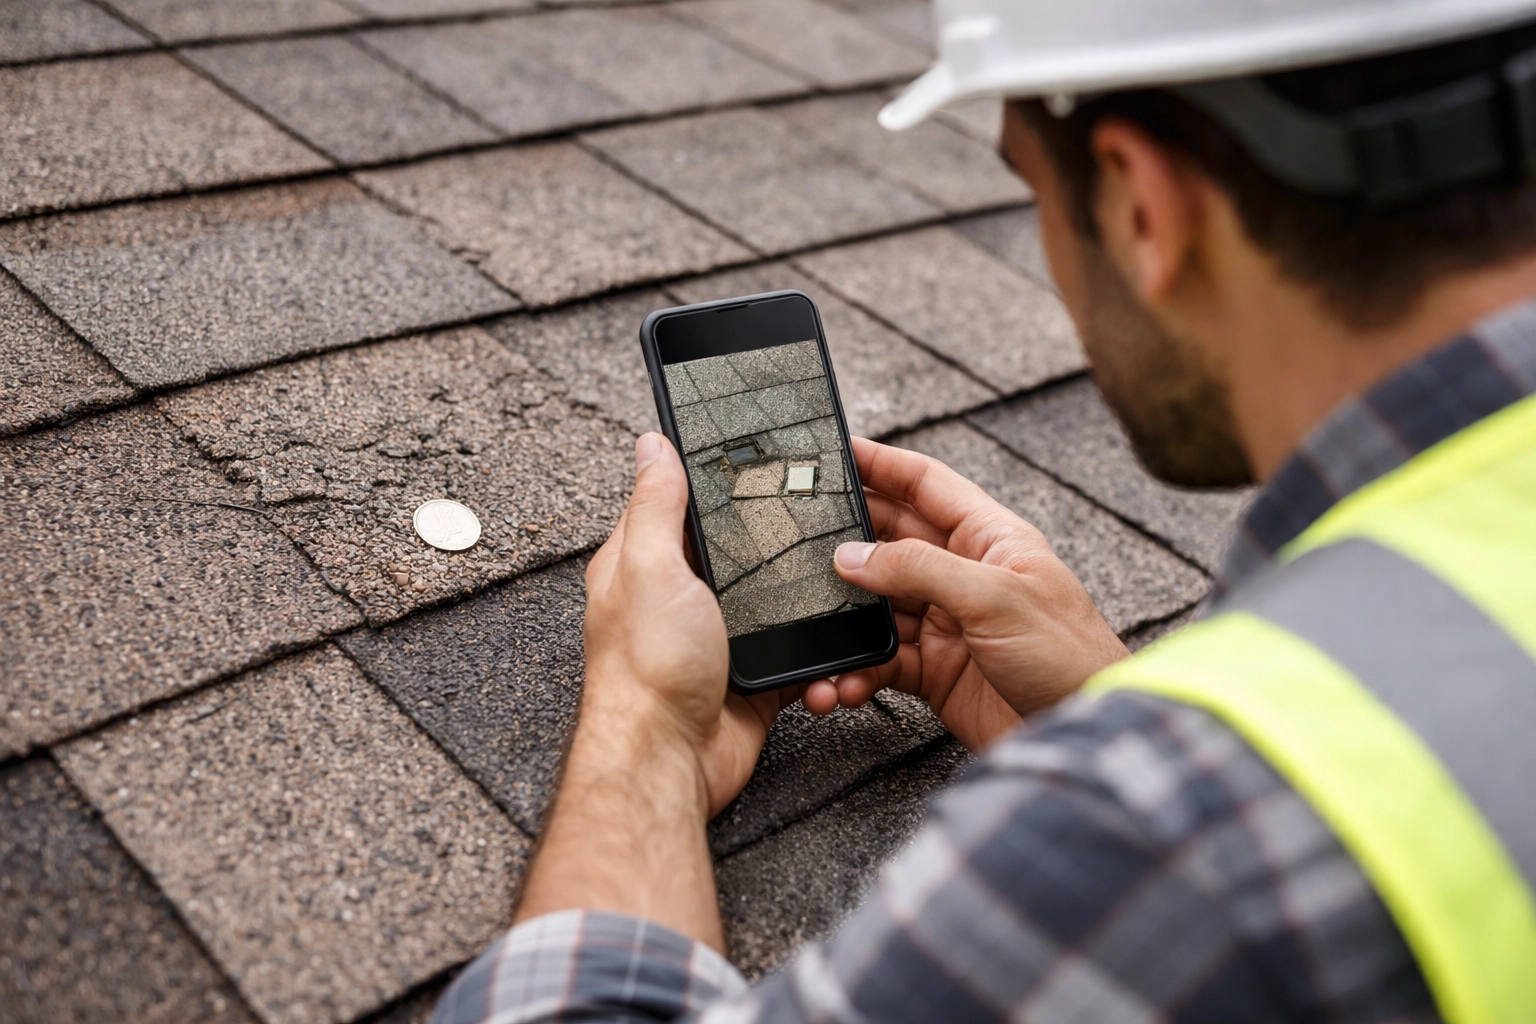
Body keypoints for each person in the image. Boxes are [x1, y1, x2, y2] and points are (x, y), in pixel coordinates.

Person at [434, 1, 1536, 1020]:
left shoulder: (1174, 829)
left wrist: (646, 730)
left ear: (1138, 202)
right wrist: (1103, 696)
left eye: (1031, 187)